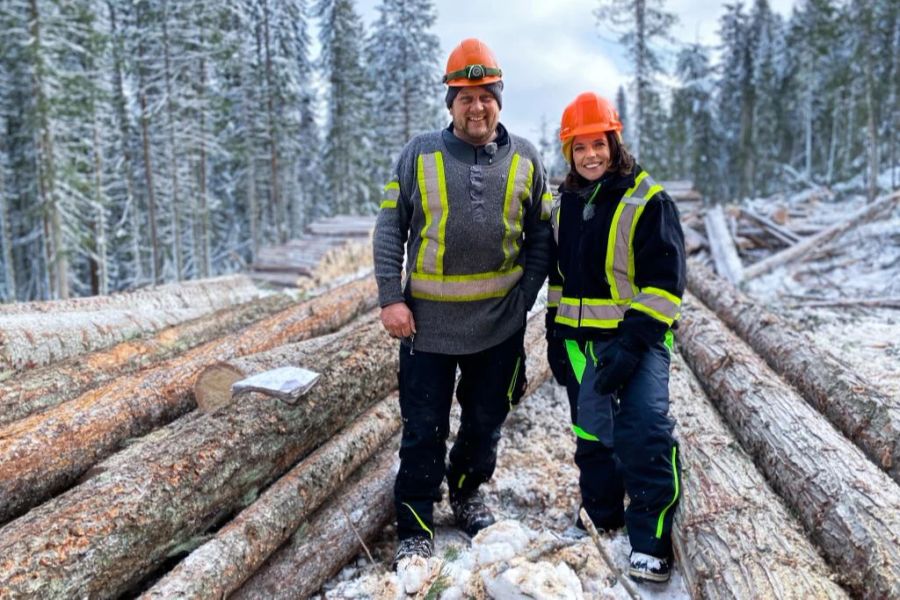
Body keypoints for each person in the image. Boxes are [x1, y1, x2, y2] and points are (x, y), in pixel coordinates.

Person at [372, 38, 553, 567]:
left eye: (486, 95)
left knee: (483, 422)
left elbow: (542, 233)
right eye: (465, 96)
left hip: (498, 327)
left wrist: (523, 298)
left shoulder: (526, 157)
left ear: (500, 98)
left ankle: (469, 494)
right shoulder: (419, 154)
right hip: (425, 327)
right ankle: (416, 523)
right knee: (424, 426)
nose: (477, 107)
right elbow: (390, 229)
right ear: (450, 102)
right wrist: (390, 298)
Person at [545, 91, 686, 584]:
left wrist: (631, 344)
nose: (590, 156)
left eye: (598, 144)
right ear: (569, 152)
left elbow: (666, 285)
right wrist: (554, 332)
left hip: (639, 341)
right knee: (591, 435)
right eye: (579, 147)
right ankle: (603, 518)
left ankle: (650, 540)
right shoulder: (564, 203)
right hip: (582, 343)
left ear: (614, 141)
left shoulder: (648, 199)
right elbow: (560, 277)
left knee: (643, 428)